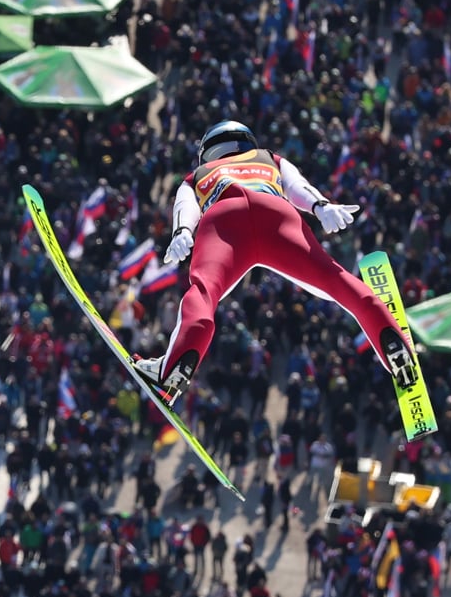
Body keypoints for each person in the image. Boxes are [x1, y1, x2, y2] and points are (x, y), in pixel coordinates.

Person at [133, 121, 417, 405]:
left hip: (224, 219)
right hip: (276, 215)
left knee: (204, 292)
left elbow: (186, 206)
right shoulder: (269, 157)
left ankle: (171, 370)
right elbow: (297, 186)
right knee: (336, 280)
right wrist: (321, 206)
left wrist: (182, 231)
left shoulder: (197, 175)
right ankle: (391, 341)